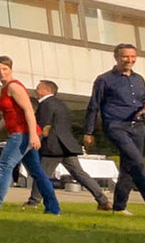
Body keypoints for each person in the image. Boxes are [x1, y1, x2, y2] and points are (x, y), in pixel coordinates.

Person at [82, 44, 145, 219]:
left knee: (128, 167)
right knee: (137, 162)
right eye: (125, 57)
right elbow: (93, 106)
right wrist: (89, 132)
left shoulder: (139, 79)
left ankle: (119, 207)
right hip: (116, 126)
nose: (129, 60)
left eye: (133, 56)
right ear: (116, 57)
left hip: (138, 127)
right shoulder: (104, 80)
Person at [0, 56, 60, 214]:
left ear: (11, 69)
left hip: (22, 134)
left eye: (4, 69)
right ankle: (53, 208)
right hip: (21, 133)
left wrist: (33, 136)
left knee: (4, 165)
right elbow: (8, 116)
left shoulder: (14, 86)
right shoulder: (6, 88)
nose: (1, 72)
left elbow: (28, 110)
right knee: (36, 172)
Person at [26, 80, 111, 210]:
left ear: (47, 90)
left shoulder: (45, 104)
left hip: (52, 147)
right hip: (67, 146)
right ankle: (103, 200)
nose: (36, 91)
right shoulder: (61, 104)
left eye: (38, 88)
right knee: (80, 174)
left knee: (41, 174)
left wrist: (36, 141)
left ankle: (33, 202)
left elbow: (45, 126)